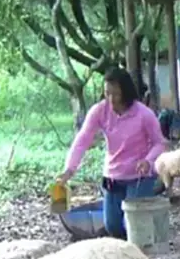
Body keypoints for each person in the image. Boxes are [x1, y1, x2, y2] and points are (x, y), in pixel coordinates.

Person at [56, 68, 168, 239]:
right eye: (107, 93)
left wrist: (148, 161)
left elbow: (159, 142)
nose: (111, 99)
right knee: (112, 224)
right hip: (113, 176)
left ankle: (138, 251)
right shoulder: (100, 111)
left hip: (140, 177)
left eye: (115, 94)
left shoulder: (144, 114)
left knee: (134, 222)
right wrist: (68, 170)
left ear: (126, 92)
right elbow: (82, 140)